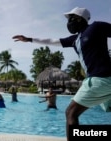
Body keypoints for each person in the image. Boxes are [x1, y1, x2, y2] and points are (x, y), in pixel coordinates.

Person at [12, 7, 111, 141]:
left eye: (70, 18)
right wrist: (29, 39)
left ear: (79, 18)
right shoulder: (75, 39)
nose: (69, 22)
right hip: (104, 81)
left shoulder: (96, 27)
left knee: (71, 113)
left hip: (99, 79)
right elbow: (52, 41)